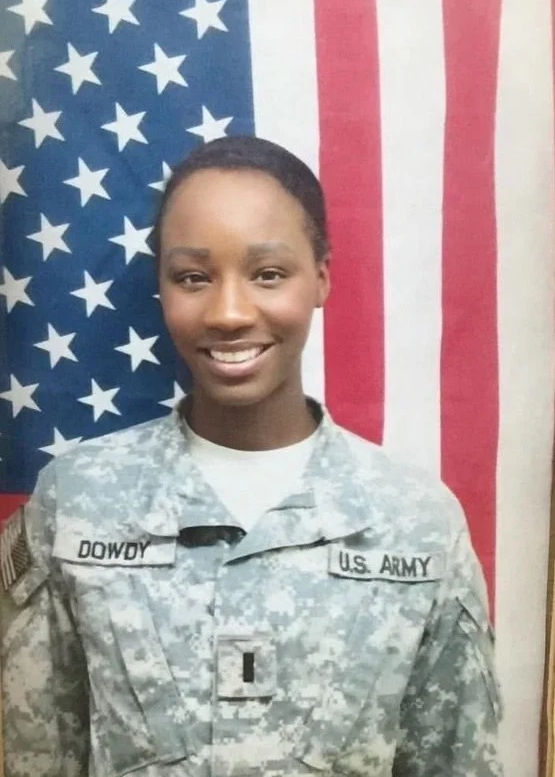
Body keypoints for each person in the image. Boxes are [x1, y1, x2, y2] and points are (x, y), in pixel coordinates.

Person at [0, 136, 503, 776]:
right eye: (193, 277)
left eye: (268, 274)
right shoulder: (77, 503)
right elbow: (40, 758)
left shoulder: (415, 521)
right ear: (161, 287)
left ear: (321, 276)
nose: (230, 313)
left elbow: (454, 762)